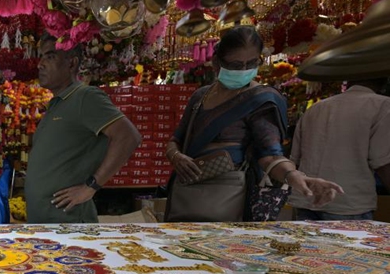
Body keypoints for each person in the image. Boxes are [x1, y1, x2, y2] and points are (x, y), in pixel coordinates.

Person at [165, 26, 343, 222]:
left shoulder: (261, 100)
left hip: (228, 198)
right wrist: (176, 156)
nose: (244, 70)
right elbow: (176, 139)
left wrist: (294, 176)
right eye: (235, 65)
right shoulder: (200, 96)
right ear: (216, 63)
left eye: (251, 63)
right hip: (185, 193)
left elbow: (270, 155)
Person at [25, 34, 142, 224]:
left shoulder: (85, 97)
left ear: (71, 64)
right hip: (46, 222)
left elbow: (129, 137)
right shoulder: (57, 103)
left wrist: (91, 186)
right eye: (41, 57)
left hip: (68, 223)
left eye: (50, 56)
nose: (40, 64)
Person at [289, 77, 390, 220]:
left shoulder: (316, 108)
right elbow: (383, 161)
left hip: (306, 200)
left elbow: (295, 160)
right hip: (348, 203)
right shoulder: (383, 106)